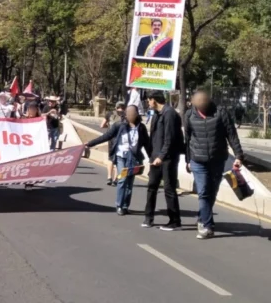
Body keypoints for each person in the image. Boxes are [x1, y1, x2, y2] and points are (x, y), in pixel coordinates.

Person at [184, 90, 245, 239]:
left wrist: (239, 156)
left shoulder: (220, 113)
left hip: (217, 159)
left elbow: (231, 135)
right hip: (197, 160)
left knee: (212, 191)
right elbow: (187, 139)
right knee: (203, 191)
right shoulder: (189, 115)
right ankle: (207, 226)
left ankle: (202, 217)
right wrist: (188, 160)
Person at [86, 105, 151, 216]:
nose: (130, 116)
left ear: (136, 115)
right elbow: (106, 136)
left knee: (129, 183)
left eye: (133, 114)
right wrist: (90, 143)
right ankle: (119, 206)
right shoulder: (119, 125)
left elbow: (147, 145)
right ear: (126, 115)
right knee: (122, 179)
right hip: (121, 156)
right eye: (128, 114)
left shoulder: (141, 128)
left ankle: (125, 206)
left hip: (133, 159)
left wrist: (152, 158)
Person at [142, 90, 185, 230]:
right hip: (156, 158)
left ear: (154, 100)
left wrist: (161, 157)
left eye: (149, 100)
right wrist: (152, 156)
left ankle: (175, 220)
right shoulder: (157, 114)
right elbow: (154, 138)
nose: (148, 102)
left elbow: (170, 139)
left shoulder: (170, 114)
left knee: (169, 189)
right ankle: (148, 218)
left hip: (168, 159)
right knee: (152, 187)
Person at [101, 102, 127, 186]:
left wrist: (109, 128)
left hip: (111, 139)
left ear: (116, 107)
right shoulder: (125, 115)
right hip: (121, 139)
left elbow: (102, 125)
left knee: (111, 158)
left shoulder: (109, 114)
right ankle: (116, 179)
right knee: (119, 159)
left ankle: (109, 177)